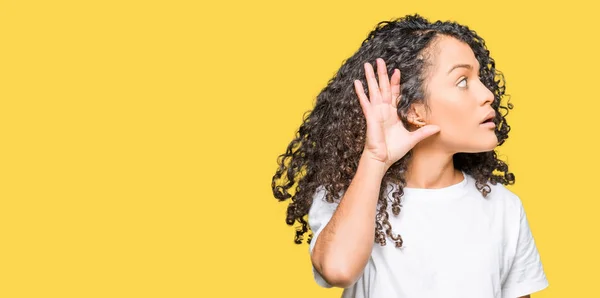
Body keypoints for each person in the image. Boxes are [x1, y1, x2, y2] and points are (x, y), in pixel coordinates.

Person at [271, 14, 549, 298]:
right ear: (415, 111)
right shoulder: (349, 197)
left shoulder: (504, 208)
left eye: (480, 78)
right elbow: (338, 269)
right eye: (463, 81)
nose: (487, 94)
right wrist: (375, 159)